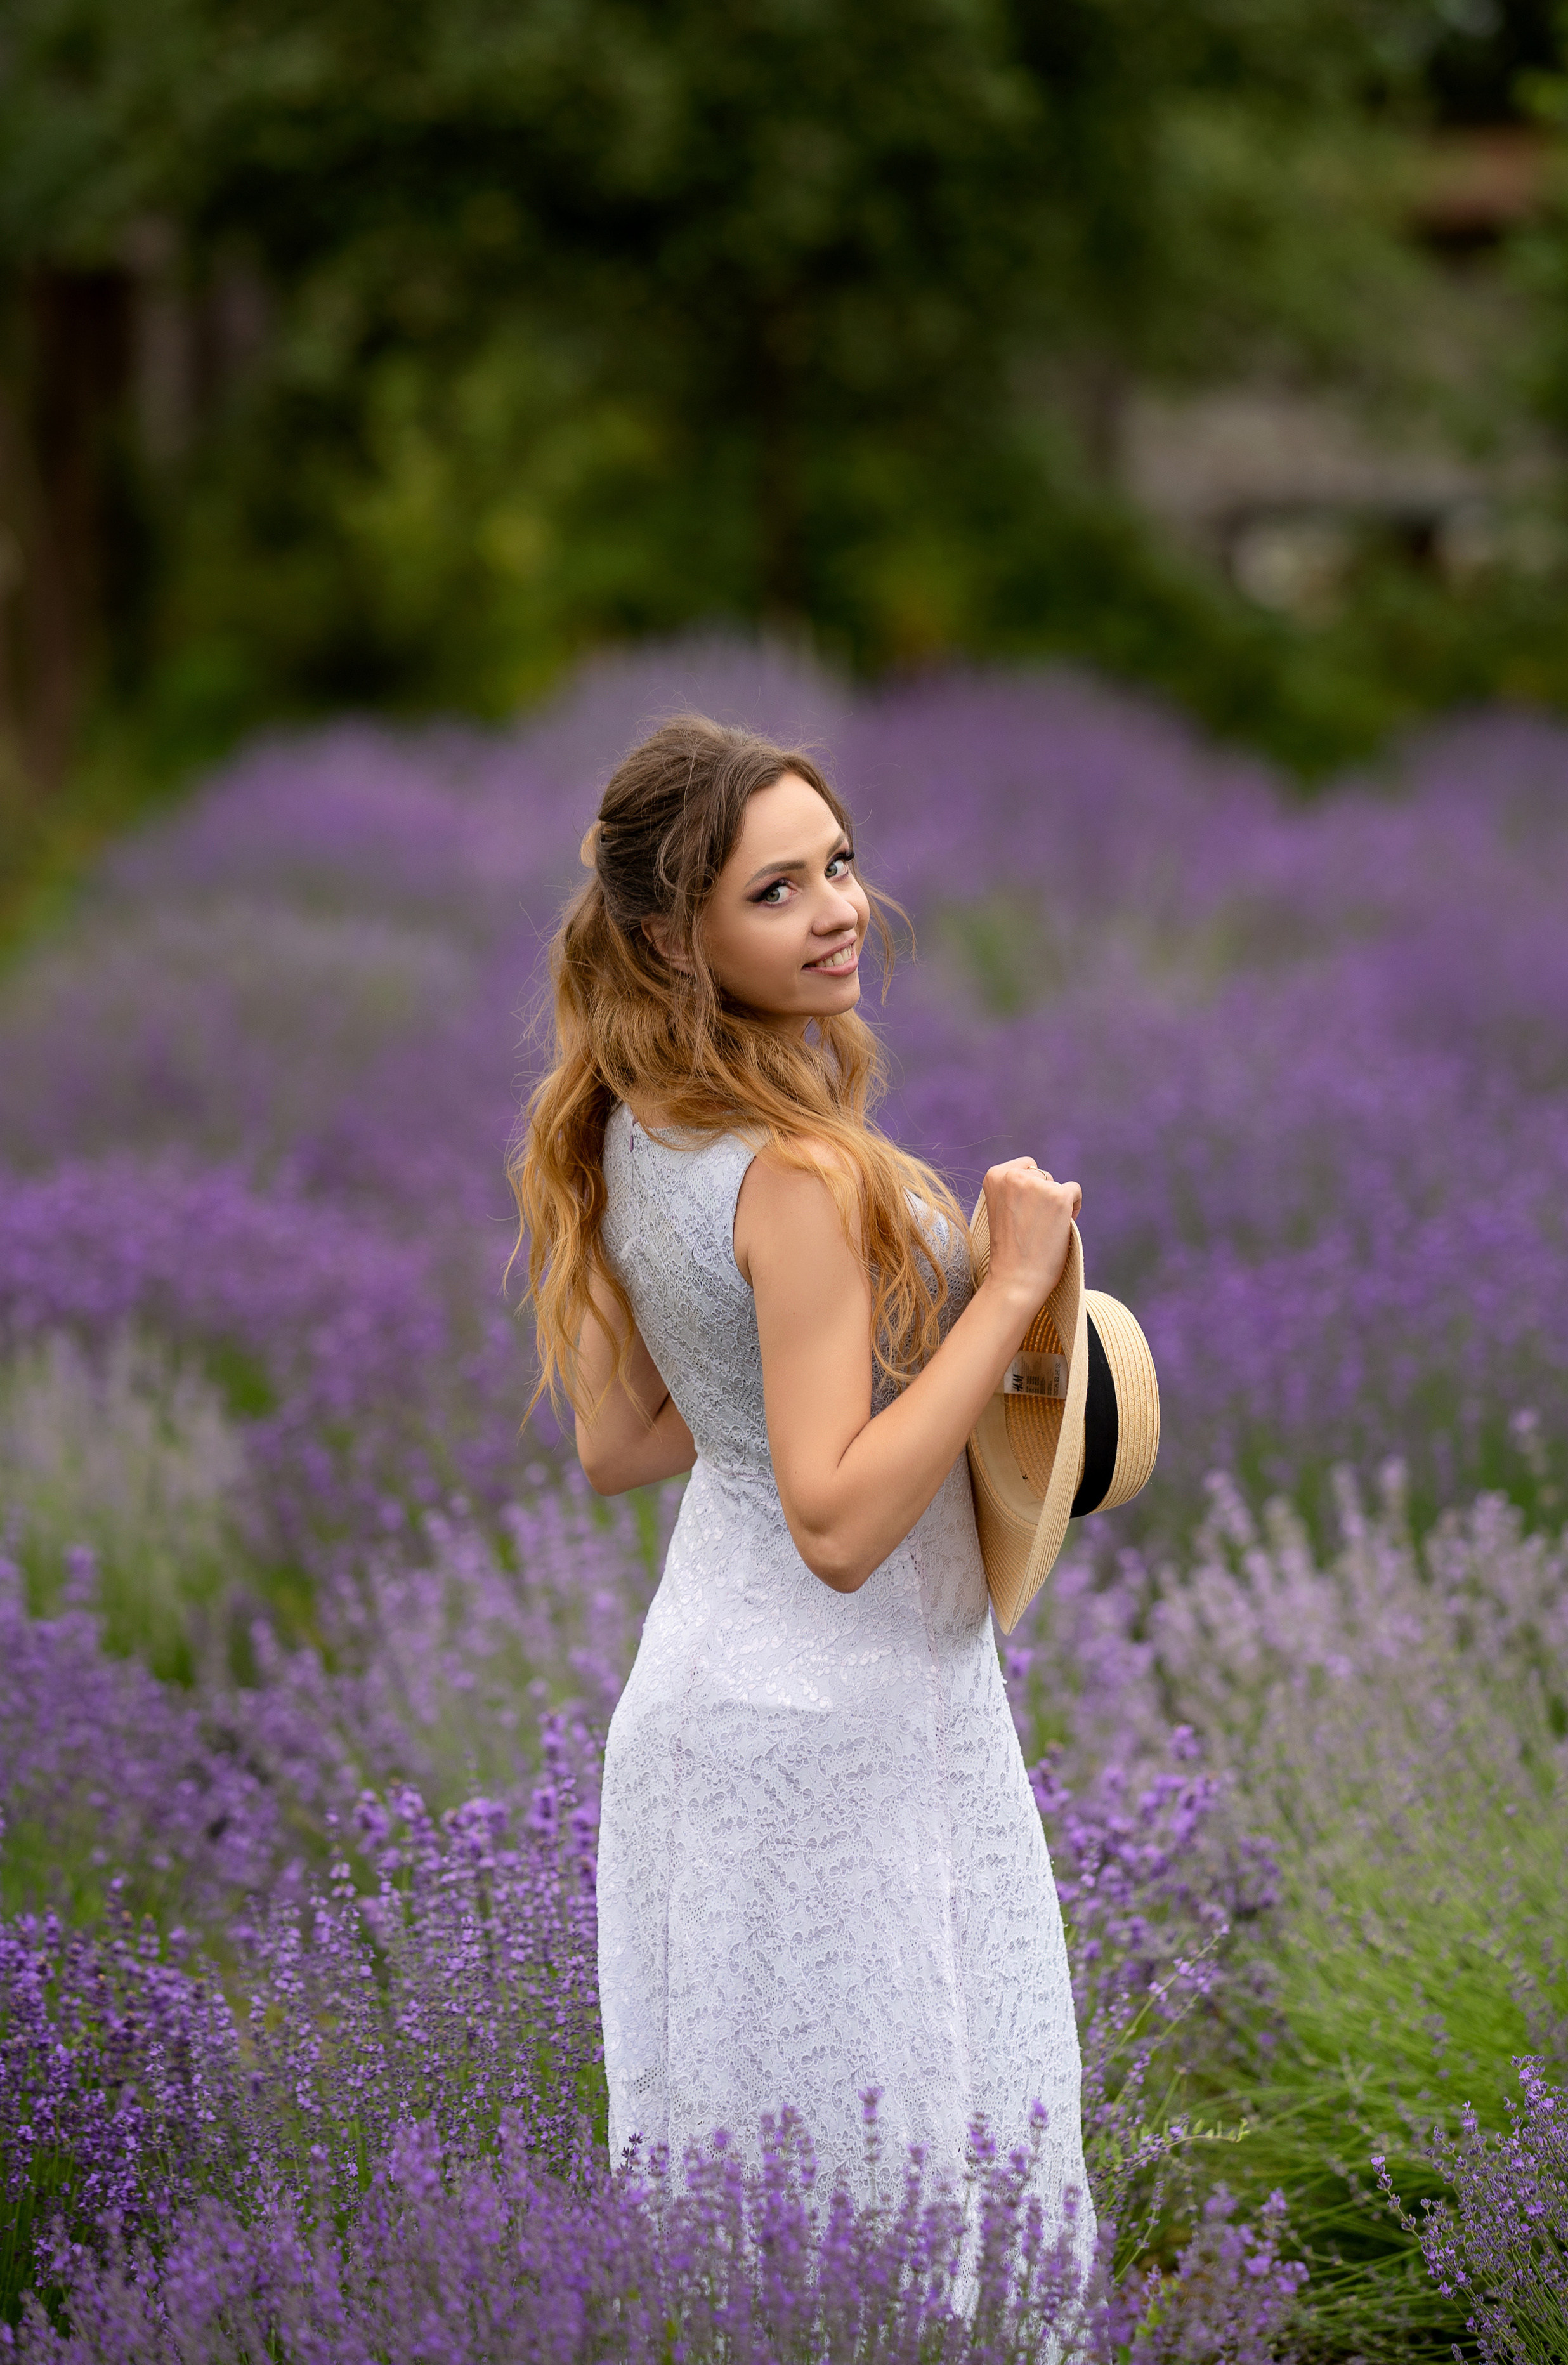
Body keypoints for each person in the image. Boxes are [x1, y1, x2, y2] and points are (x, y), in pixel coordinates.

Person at [511, 713, 1090, 2247]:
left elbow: (625, 1440)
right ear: (669, 935)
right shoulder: (801, 1172)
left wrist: (816, 1384)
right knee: (913, 2197)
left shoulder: (622, 1124)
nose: (836, 910)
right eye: (774, 891)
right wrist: (1004, 1295)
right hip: (844, 1726)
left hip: (709, 1715)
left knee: (762, 2228)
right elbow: (833, 1523)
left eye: (836, 864)